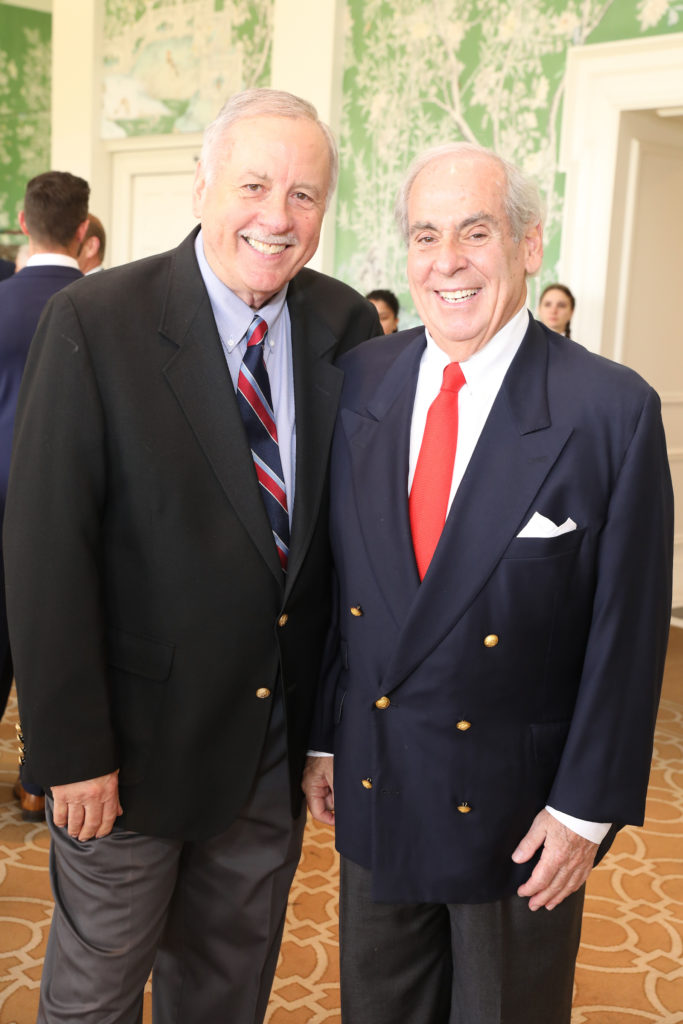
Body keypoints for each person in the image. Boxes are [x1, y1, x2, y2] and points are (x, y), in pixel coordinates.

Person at [3, 88, 380, 1024]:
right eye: (254, 184)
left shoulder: (344, 327)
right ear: (202, 181)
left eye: (303, 195)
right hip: (125, 761)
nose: (277, 217)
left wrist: (326, 731)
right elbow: (47, 549)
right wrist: (70, 752)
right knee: (93, 998)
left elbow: (346, 553)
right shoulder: (98, 320)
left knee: (226, 994)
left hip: (269, 752)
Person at [303, 141, 673, 1024]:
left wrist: (583, 812)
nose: (447, 263)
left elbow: (625, 637)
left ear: (528, 244)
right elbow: (339, 592)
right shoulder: (363, 379)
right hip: (379, 782)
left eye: (474, 232)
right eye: (425, 237)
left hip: (516, 813)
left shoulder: (608, 409)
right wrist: (324, 737)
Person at [0, 171, 89, 821]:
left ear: (25, 225)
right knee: (49, 647)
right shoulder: (108, 310)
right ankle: (36, 780)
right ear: (85, 232)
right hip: (68, 515)